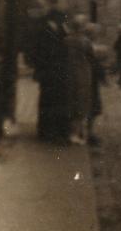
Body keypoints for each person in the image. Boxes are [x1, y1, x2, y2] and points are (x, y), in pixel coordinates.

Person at [33, 8, 70, 144]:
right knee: (47, 101)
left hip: (58, 72)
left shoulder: (60, 29)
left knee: (56, 101)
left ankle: (53, 131)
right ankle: (45, 131)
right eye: (61, 18)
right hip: (48, 72)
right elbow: (39, 52)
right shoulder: (44, 30)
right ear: (54, 19)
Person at [65, 14, 95, 144]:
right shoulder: (85, 41)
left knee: (71, 101)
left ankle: (71, 132)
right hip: (83, 73)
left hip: (69, 73)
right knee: (81, 103)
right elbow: (91, 57)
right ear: (82, 27)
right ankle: (77, 134)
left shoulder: (66, 40)